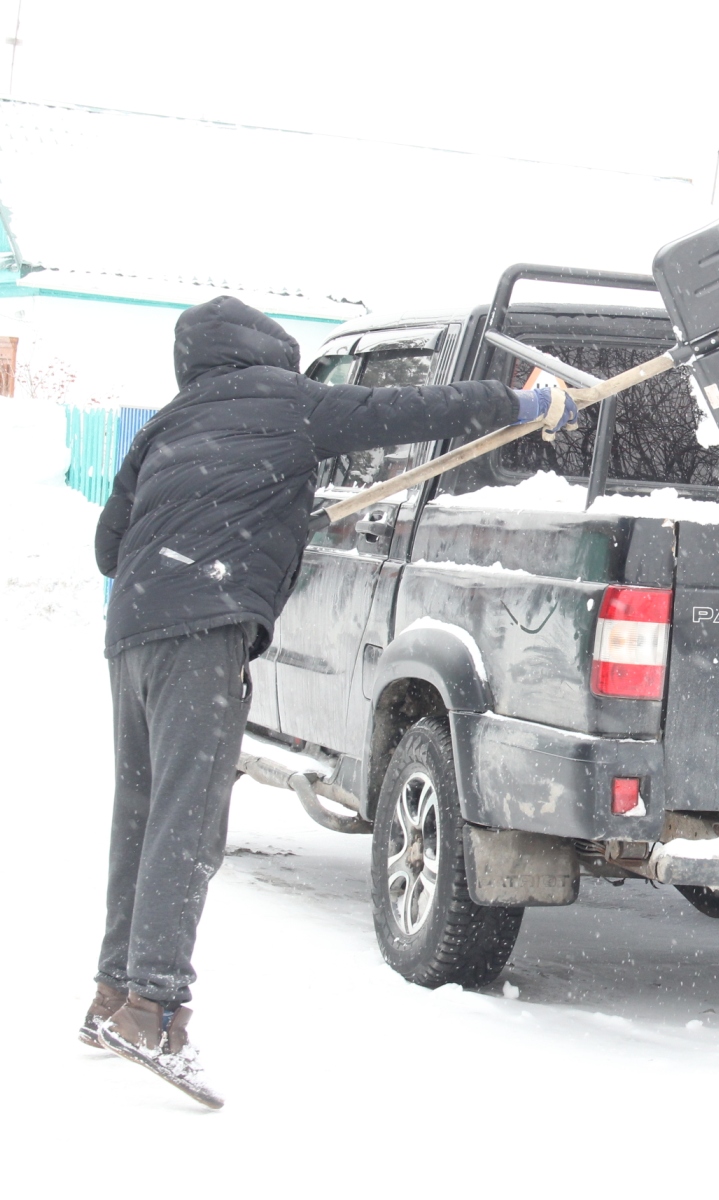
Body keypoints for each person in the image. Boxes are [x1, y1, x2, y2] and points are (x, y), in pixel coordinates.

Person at [83, 297, 576, 1107]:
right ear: (267, 350)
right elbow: (410, 410)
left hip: (132, 627)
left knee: (139, 811)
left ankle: (111, 994)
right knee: (186, 818)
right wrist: (521, 404)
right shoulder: (288, 402)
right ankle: (155, 1008)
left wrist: (258, 511)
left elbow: (109, 543)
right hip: (204, 626)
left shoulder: (167, 424)